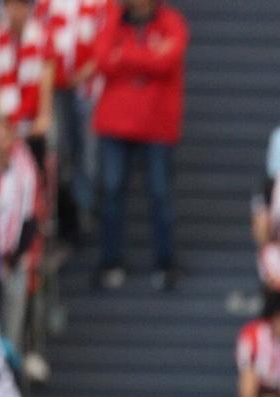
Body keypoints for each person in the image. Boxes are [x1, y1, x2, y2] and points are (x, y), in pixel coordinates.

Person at [91, 0, 188, 290]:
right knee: (111, 192)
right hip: (115, 123)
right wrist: (148, 56)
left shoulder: (172, 22)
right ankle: (110, 262)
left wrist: (125, 55)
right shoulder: (111, 21)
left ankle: (164, 263)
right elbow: (102, 60)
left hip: (157, 124)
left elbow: (167, 61)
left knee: (160, 194)